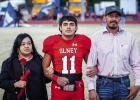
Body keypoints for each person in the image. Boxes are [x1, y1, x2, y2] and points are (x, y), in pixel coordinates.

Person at [86, 6, 140, 100]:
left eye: (116, 16)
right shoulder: (96, 37)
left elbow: (136, 64)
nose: (114, 19)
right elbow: (91, 65)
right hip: (104, 85)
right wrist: (91, 89)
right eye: (111, 16)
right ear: (105, 18)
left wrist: (138, 85)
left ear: (120, 19)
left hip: (124, 84)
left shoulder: (129, 37)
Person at [42, 15, 91, 100]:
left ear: (76, 28)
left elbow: (91, 64)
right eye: (65, 24)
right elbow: (44, 68)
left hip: (77, 87)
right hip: (58, 88)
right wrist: (56, 78)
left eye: (71, 24)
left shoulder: (83, 41)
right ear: (60, 28)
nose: (68, 27)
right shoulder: (52, 42)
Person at [0, 33, 50, 100]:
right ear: (17, 48)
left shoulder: (40, 60)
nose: (27, 46)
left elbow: (46, 80)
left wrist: (49, 73)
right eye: (23, 44)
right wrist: (15, 84)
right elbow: (2, 82)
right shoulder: (8, 63)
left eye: (29, 43)